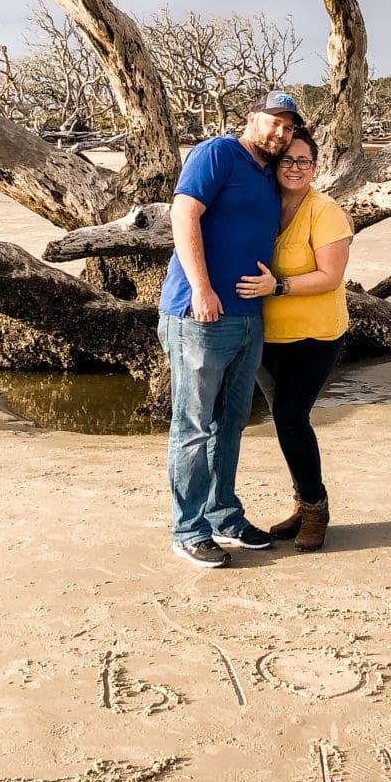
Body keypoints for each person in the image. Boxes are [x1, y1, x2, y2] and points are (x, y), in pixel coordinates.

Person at [158, 90, 305, 568]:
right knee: (194, 426)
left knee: (231, 425)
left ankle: (223, 514)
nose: (280, 133)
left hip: (247, 320)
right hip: (198, 314)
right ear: (251, 118)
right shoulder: (217, 152)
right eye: (273, 123)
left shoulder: (267, 175)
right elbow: (184, 214)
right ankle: (188, 530)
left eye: (288, 128)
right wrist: (201, 288)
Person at [235, 126, 352, 552]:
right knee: (286, 423)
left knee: (289, 417)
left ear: (315, 167)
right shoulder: (265, 204)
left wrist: (277, 287)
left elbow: (330, 276)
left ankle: (317, 508)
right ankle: (302, 506)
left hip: (316, 334)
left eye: (304, 161)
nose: (295, 167)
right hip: (268, 335)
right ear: (275, 163)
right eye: (288, 159)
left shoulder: (326, 212)